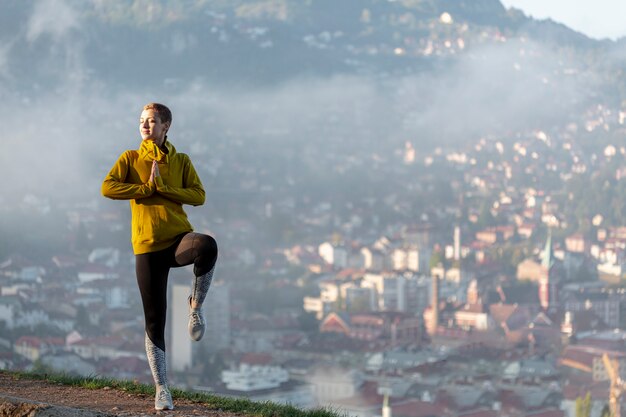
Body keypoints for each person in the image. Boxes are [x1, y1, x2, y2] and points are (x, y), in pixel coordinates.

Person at [101, 103, 218, 410]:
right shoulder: (130, 158)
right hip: (147, 248)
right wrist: (144, 188)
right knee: (155, 321)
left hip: (178, 239)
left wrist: (164, 189)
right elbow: (107, 187)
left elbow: (199, 195)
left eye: (151, 121)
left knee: (207, 245)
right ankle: (162, 389)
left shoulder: (180, 160)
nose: (145, 125)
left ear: (166, 126)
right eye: (142, 120)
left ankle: (196, 306)